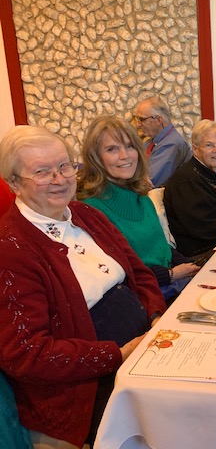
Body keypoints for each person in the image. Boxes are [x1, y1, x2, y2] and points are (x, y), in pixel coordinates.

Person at [0, 126, 166, 448]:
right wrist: (116, 355)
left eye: (65, 166)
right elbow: (25, 353)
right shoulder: (10, 249)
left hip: (143, 349)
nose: (60, 179)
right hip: (86, 389)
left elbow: (139, 273)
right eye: (42, 172)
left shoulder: (85, 214)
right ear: (14, 183)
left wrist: (157, 317)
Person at [77, 115, 200, 302]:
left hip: (172, 284)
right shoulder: (91, 210)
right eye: (112, 149)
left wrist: (190, 265)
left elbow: (161, 247)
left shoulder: (142, 197)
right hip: (145, 299)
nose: (124, 155)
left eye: (129, 146)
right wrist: (171, 274)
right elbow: (120, 276)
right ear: (95, 158)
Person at [164, 119, 216, 259]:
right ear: (195, 149)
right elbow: (207, 230)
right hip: (206, 252)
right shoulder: (186, 180)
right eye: (209, 145)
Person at [133, 96, 192, 187]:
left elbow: (150, 182)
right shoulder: (150, 142)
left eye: (142, 120)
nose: (138, 125)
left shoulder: (172, 144)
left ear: (158, 120)